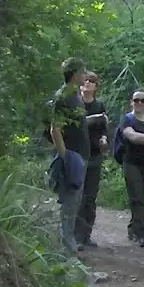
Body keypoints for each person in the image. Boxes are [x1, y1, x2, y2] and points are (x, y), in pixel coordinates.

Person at [44, 57, 89, 255]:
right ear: (74, 74)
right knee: (69, 204)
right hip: (71, 157)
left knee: (75, 202)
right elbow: (55, 129)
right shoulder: (63, 96)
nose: (86, 75)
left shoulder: (75, 95)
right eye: (83, 71)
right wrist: (65, 157)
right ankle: (65, 251)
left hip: (80, 155)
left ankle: (67, 248)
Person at [115, 88, 144, 247]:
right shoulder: (126, 119)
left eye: (142, 100)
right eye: (136, 100)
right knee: (137, 197)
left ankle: (134, 226)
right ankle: (141, 232)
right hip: (131, 162)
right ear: (131, 102)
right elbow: (131, 136)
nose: (139, 103)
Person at [74, 72, 110, 250]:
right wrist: (94, 119)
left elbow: (104, 128)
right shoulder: (75, 103)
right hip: (78, 153)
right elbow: (75, 125)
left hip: (95, 154)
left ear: (97, 86)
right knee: (78, 195)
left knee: (90, 196)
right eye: (86, 80)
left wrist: (104, 139)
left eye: (92, 81)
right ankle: (76, 236)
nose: (88, 83)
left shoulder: (99, 105)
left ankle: (86, 234)